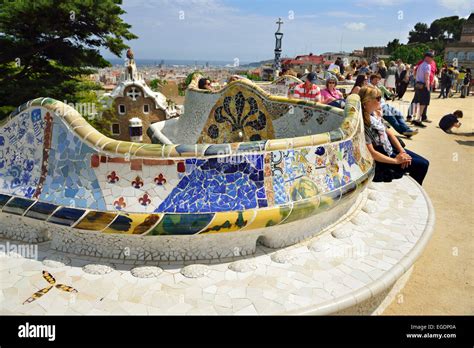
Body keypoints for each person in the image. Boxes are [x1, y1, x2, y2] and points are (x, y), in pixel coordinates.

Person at [359, 86, 429, 185]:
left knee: (424, 163)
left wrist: (402, 152)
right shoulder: (363, 123)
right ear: (367, 102)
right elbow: (372, 153)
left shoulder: (374, 116)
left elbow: (390, 133)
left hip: (389, 148)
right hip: (383, 156)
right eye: (378, 98)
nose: (381, 100)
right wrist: (396, 160)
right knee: (422, 165)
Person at [411, 52, 434, 127]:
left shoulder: (420, 65)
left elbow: (415, 75)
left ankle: (414, 118)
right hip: (423, 86)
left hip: (418, 84)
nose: (432, 60)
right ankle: (418, 119)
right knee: (423, 104)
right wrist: (428, 87)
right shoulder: (427, 66)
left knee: (417, 102)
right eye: (431, 58)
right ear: (428, 58)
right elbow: (426, 77)